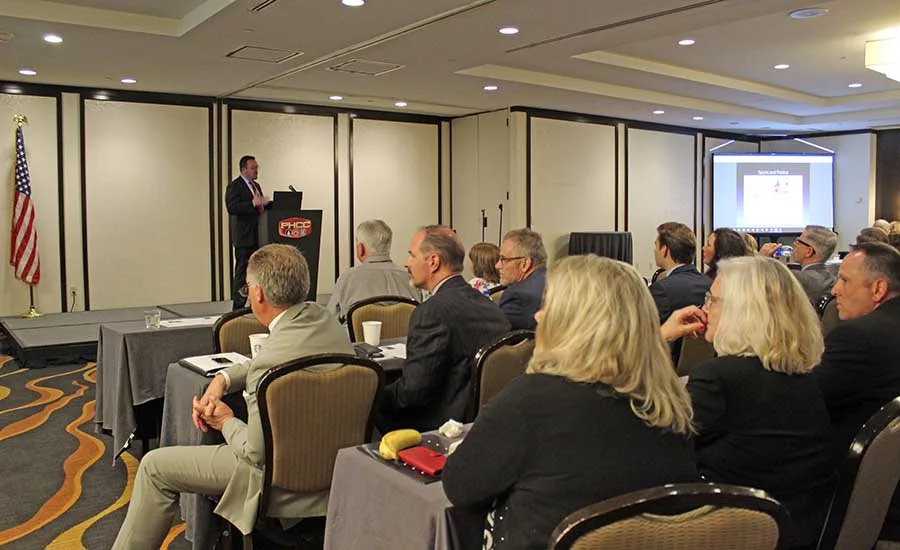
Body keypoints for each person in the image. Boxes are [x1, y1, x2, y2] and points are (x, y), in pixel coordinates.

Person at [443, 255, 697, 550]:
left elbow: (459, 487)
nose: (538, 317)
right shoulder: (670, 404)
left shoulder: (531, 401)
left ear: (573, 324)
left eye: (548, 307)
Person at [112, 245, 353, 549]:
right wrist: (224, 378)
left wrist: (225, 421)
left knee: (153, 467)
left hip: (275, 479)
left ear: (259, 294)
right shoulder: (326, 323)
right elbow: (287, 359)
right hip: (338, 468)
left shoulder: (269, 364)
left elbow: (254, 453)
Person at [686, 256, 835, 547]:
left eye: (712, 300)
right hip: (801, 522)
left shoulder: (719, 376)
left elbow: (662, 440)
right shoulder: (801, 371)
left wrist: (657, 339)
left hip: (737, 528)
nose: (705, 309)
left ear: (741, 311)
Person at [378, 225, 510, 432]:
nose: (406, 263)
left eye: (412, 255)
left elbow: (412, 393)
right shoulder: (490, 306)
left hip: (437, 426)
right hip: (482, 423)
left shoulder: (431, 313)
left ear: (433, 262)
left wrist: (371, 394)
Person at [813, 242, 900, 453]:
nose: (835, 290)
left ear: (878, 289)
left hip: (846, 467)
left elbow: (804, 401)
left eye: (844, 280)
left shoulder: (857, 337)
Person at [327, 219, 421, 321]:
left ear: (360, 249)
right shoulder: (412, 278)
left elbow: (330, 321)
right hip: (407, 337)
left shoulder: (347, 279)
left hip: (359, 337)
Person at [226, 155, 271, 310]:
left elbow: (259, 209)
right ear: (243, 169)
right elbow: (232, 207)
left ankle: (256, 302)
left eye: (257, 167)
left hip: (259, 235)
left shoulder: (256, 186)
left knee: (257, 271)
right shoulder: (235, 186)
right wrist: (252, 203)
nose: (256, 170)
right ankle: (238, 306)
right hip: (244, 237)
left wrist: (267, 204)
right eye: (253, 168)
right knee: (242, 271)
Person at [760, 225, 838, 306]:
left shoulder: (795, 278)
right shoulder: (832, 279)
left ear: (809, 251)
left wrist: (761, 261)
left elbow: (757, 285)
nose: (794, 243)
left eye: (799, 241)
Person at [649, 222, 711, 324]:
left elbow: (646, 332)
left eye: (656, 245)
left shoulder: (661, 290)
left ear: (665, 250)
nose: (655, 251)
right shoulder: (710, 283)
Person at [495, 228, 547, 330]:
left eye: (503, 259)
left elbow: (502, 339)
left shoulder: (516, 295)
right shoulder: (557, 280)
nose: (497, 265)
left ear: (525, 264)